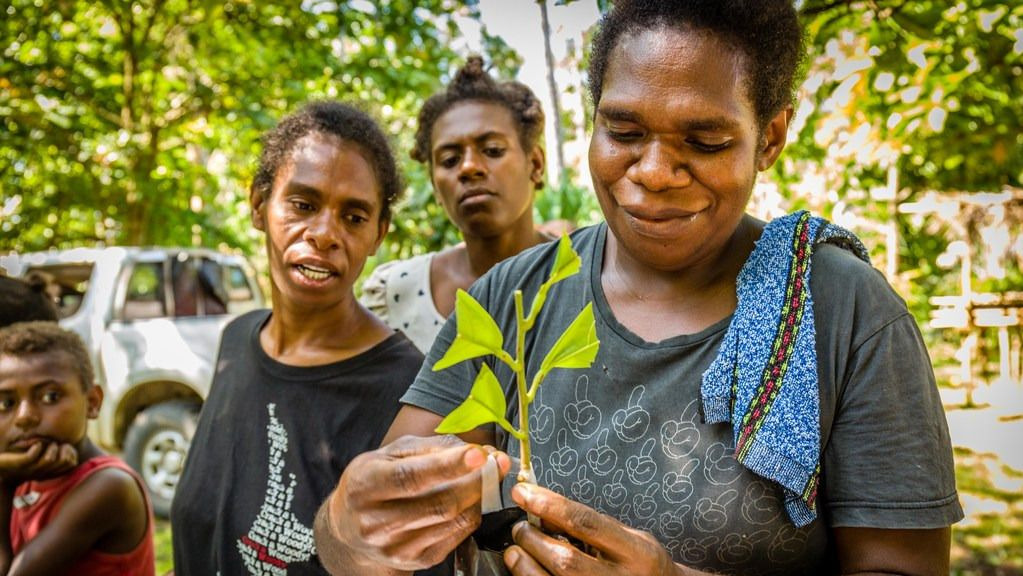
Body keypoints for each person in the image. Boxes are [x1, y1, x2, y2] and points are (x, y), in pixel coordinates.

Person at [314, 1, 964, 575]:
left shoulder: (844, 312)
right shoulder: (510, 298)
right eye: (623, 132)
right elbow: (380, 529)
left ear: (769, 136)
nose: (652, 172)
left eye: (704, 140)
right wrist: (349, 528)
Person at [170, 101, 430, 575]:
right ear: (257, 204)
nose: (325, 233)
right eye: (303, 205)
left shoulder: (408, 390)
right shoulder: (237, 340)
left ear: (378, 235)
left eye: (354, 217)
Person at [361, 55, 552, 353]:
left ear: (536, 164)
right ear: (436, 186)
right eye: (450, 160)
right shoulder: (396, 295)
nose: (469, 168)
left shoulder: (587, 276)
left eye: (492, 150)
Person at [0, 321, 155, 575]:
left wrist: (4, 482)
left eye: (50, 397)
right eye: (6, 403)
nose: (24, 416)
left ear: (93, 402)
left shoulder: (109, 486)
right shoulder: (26, 472)